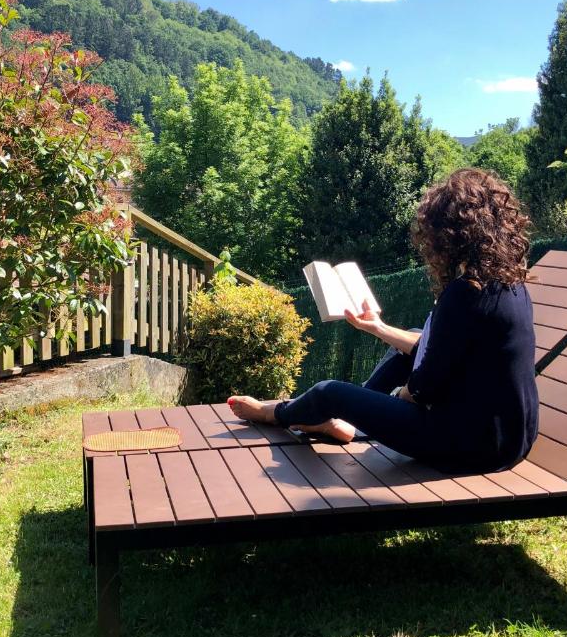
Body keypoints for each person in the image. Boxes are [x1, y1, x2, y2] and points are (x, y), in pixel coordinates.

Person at [228, 168, 539, 474]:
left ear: (448, 235)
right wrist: (377, 327)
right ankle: (341, 418)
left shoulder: (465, 294)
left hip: (469, 446)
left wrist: (391, 403)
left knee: (330, 392)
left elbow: (421, 389)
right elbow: (445, 351)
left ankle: (277, 412)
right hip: (509, 439)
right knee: (413, 340)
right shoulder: (508, 284)